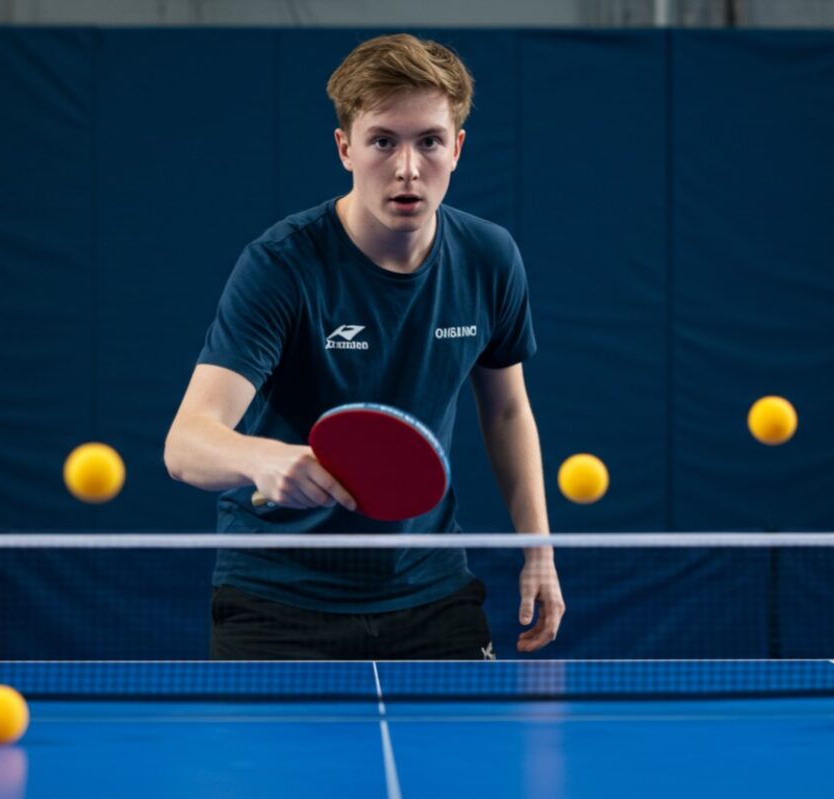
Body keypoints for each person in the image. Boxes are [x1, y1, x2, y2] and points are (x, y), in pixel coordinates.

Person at [164, 33, 563, 661]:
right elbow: (186, 443)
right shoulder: (283, 265)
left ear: (457, 148)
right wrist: (264, 460)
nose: (408, 168)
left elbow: (508, 411)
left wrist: (538, 549)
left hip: (429, 591)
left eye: (429, 141)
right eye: (383, 141)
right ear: (345, 147)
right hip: (276, 600)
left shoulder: (489, 259)